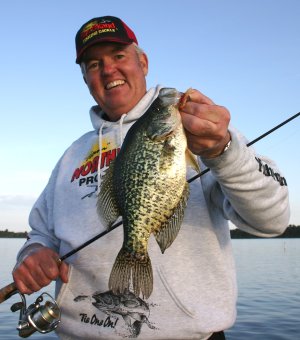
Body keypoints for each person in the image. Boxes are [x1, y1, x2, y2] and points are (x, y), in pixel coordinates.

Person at [12, 16, 290, 339]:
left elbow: (274, 219)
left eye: (118, 56)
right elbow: (40, 234)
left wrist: (223, 150)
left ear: (142, 62)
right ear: (86, 79)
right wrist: (33, 255)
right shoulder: (70, 157)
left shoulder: (198, 132)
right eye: (94, 64)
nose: (108, 70)